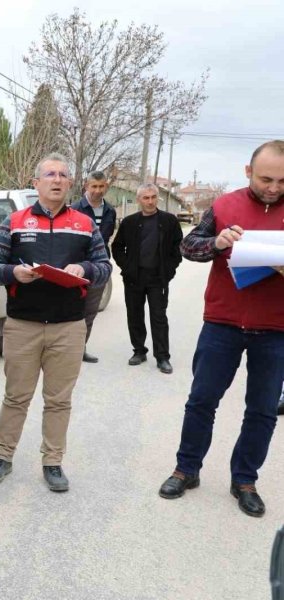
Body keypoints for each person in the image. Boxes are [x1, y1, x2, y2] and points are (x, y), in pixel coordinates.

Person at [158, 140, 284, 518]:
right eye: (266, 179)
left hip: (276, 329)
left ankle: (244, 479)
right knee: (201, 401)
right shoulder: (224, 206)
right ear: (248, 172)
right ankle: (186, 469)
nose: (275, 187)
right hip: (222, 324)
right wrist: (216, 241)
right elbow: (188, 246)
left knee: (261, 411)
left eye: (282, 180)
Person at [0, 153, 112, 492]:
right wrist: (14, 273)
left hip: (68, 327)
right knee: (16, 396)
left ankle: (53, 462)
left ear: (70, 184)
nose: (56, 180)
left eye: (63, 175)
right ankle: (2, 456)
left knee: (58, 400)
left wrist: (86, 270)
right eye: (50, 174)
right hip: (22, 325)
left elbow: (105, 266)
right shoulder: (14, 221)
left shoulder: (85, 223)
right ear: (36, 183)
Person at [110, 183, 183, 374]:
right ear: (139, 200)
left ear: (157, 198)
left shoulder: (169, 221)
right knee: (134, 315)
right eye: (145, 197)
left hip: (158, 278)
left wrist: (170, 269)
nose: (150, 201)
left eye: (153, 197)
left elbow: (178, 248)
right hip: (134, 277)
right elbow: (117, 247)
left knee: (159, 316)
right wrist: (127, 267)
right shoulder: (129, 222)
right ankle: (139, 351)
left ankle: (162, 357)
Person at [71, 170, 117, 363]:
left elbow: (105, 239)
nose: (97, 191)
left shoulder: (110, 211)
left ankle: (81, 349)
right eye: (94, 186)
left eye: (101, 186)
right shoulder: (74, 209)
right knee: (73, 311)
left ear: (106, 186)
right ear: (86, 186)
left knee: (90, 312)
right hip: (75, 267)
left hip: (98, 268)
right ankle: (68, 351)